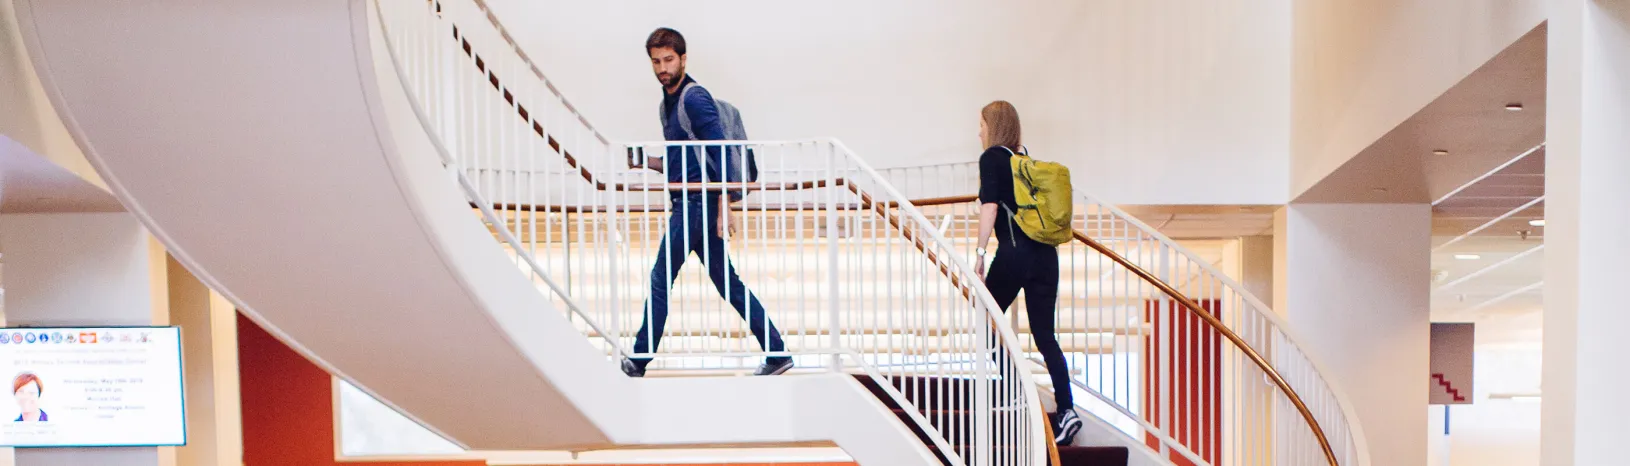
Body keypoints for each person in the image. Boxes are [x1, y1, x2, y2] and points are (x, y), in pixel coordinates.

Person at [622, 27, 791, 377]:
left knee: (659, 277)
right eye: (656, 61)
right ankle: (777, 352)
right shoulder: (666, 104)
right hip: (691, 200)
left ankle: (639, 359)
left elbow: (721, 152)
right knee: (729, 283)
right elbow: (683, 160)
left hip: (698, 204)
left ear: (683, 59)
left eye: (668, 59)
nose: (662, 67)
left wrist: (724, 206)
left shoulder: (693, 98)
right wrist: (646, 163)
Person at [973, 101, 1081, 445]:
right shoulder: (1026, 162)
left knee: (985, 318)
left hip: (1015, 254)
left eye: (981, 125)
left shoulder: (992, 158)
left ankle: (1017, 394)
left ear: (993, 127)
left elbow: (990, 207)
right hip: (1046, 256)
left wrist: (978, 254)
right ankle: (1067, 409)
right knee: (1045, 335)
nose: (978, 132)